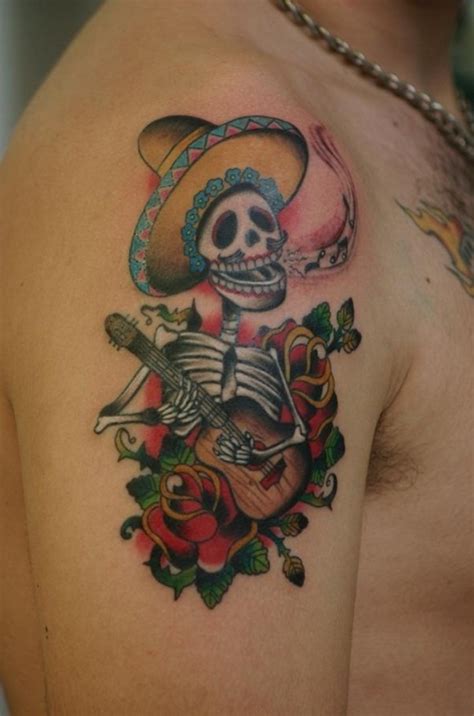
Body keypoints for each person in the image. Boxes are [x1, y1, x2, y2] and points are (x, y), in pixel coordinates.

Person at [0, 1, 472, 713]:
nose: (255, 245)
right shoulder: (217, 89)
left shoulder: (419, 91)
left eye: (260, 222)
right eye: (229, 232)